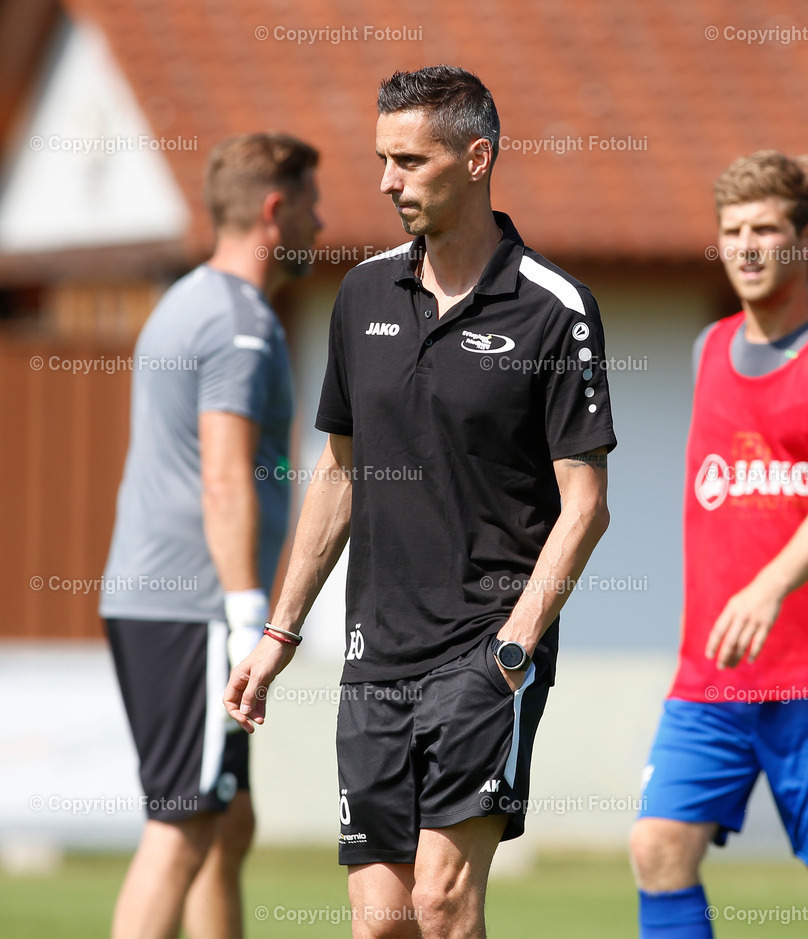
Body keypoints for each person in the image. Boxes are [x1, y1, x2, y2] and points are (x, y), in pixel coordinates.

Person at [224, 65, 616, 938]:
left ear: (477, 159)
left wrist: (515, 649)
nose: (385, 181)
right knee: (382, 921)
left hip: (487, 649)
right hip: (375, 659)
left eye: (409, 160)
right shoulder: (361, 294)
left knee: (441, 903)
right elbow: (338, 475)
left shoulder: (556, 311)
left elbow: (584, 505)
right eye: (381, 159)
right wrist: (280, 632)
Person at [630, 151, 808, 939]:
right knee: (657, 846)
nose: (746, 246)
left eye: (766, 229)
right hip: (713, 673)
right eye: (731, 231)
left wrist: (766, 586)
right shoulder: (707, 348)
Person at [100, 132, 321, 938]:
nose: (322, 222)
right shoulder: (239, 324)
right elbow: (225, 476)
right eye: (311, 203)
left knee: (226, 824)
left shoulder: (187, 300)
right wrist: (244, 617)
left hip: (160, 602)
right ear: (274, 209)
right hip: (197, 607)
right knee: (184, 822)